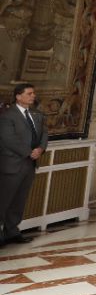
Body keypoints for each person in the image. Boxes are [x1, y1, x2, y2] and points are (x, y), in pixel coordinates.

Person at [0, 83, 47, 245]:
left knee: (19, 200)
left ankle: (11, 232)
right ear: (18, 96)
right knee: (4, 200)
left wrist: (40, 149)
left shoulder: (37, 114)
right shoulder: (7, 115)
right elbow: (8, 139)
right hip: (12, 164)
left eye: (33, 93)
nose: (33, 96)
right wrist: (29, 152)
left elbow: (44, 134)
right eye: (29, 93)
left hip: (29, 165)